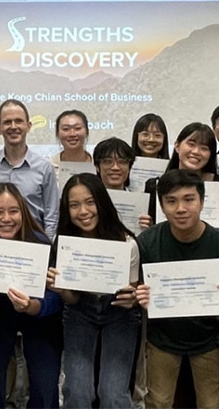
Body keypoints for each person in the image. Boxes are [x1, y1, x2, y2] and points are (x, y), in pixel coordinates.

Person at [134, 170, 219, 409]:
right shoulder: (147, 242)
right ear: (161, 206)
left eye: (189, 199)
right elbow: (136, 298)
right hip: (162, 339)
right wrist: (141, 298)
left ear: (202, 202)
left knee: (212, 405)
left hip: (209, 339)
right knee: (158, 402)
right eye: (171, 201)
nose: (180, 208)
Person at [0, 183, 62, 409]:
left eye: (13, 211)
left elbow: (57, 298)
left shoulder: (41, 244)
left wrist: (34, 306)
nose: (6, 218)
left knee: (46, 390)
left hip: (39, 318)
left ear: (23, 213)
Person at [48, 173, 140, 409]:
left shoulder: (126, 243)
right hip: (80, 312)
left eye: (90, 202)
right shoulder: (64, 243)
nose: (83, 211)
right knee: (77, 391)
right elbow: (72, 299)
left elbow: (133, 293)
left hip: (119, 314)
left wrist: (132, 298)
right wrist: (61, 290)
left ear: (102, 202)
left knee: (113, 393)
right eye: (74, 205)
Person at [0, 99, 59, 239]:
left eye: (19, 121)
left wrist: (48, 248)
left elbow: (51, 216)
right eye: (7, 122)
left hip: (33, 243)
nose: (13, 126)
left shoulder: (44, 167)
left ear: (28, 126)